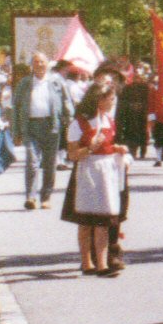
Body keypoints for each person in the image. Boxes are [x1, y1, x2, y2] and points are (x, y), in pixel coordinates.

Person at [61, 78, 129, 275]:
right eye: (110, 98)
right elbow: (72, 154)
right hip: (87, 172)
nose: (113, 102)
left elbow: (107, 146)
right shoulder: (79, 124)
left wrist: (116, 148)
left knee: (103, 221)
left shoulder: (109, 121)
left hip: (106, 173)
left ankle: (102, 264)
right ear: (99, 99)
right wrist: (90, 147)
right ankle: (87, 263)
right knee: (85, 222)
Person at [19, 53, 66, 209]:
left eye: (42, 62)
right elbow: (16, 107)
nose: (39, 65)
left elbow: (67, 102)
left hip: (51, 126)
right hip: (31, 127)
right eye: (36, 62)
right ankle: (31, 197)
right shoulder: (25, 83)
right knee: (32, 162)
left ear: (47, 64)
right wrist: (16, 131)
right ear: (32, 65)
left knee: (50, 163)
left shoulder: (56, 82)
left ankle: (46, 197)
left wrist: (69, 122)